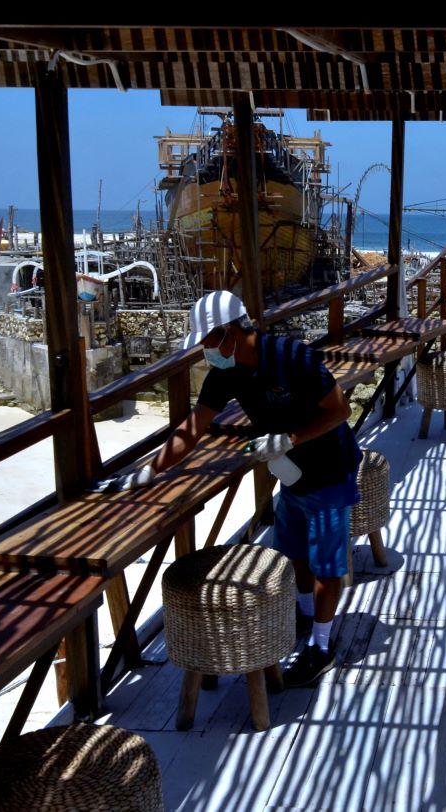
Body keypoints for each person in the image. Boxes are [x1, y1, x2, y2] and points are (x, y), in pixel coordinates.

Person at [97, 290, 361, 687]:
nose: (205, 350)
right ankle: (305, 614)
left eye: (207, 340)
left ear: (229, 333)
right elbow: (191, 429)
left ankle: (321, 647)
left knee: (327, 565)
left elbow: (339, 410)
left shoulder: (292, 356)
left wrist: (289, 438)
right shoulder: (228, 371)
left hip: (329, 471)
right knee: (295, 555)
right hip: (291, 476)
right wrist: (147, 472)